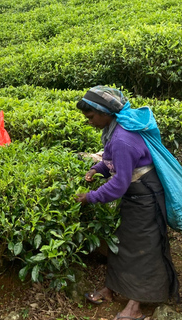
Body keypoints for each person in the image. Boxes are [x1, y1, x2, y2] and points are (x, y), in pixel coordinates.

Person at [75, 86, 179, 320]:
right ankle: (112, 288)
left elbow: (120, 182)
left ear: (105, 112)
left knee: (145, 249)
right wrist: (97, 168)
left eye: (91, 117)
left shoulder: (123, 138)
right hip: (135, 195)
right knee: (122, 243)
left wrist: (89, 197)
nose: (89, 122)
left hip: (146, 197)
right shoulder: (116, 129)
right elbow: (112, 160)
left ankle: (135, 305)